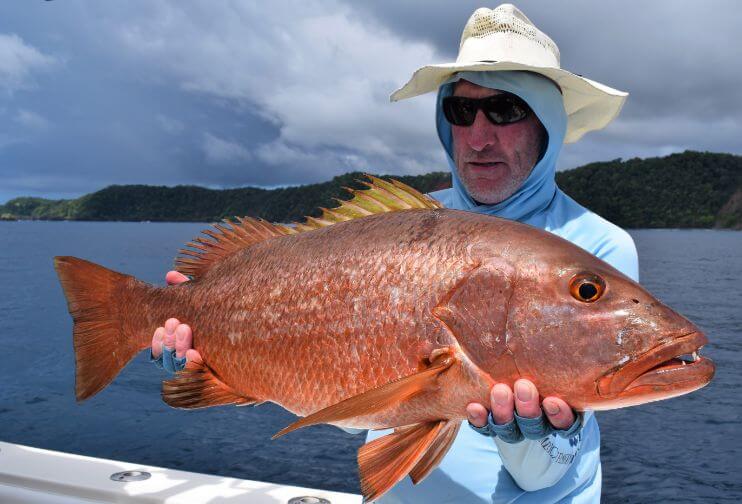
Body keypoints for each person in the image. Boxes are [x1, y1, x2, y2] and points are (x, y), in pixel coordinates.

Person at [151, 5, 638, 502]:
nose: (479, 135)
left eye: (507, 109)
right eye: (461, 111)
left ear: (548, 123)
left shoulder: (595, 246)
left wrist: (536, 440)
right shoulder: (400, 227)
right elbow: (354, 409)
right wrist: (223, 361)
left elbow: (543, 475)